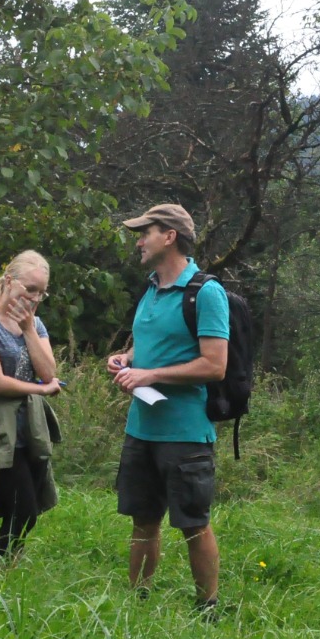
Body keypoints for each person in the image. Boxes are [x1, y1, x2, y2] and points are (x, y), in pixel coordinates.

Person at [107, 203, 229, 615]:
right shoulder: (151, 288)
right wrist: (127, 360)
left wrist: (150, 376)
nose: (139, 240)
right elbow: (147, 345)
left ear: (170, 236)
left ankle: (207, 608)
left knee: (193, 523)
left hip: (186, 432)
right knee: (143, 520)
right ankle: (137, 603)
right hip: (142, 428)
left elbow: (214, 364)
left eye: (146, 232)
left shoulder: (206, 293)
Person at [0, 251, 62, 560]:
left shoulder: (36, 324)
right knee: (23, 509)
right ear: (9, 281)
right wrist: (41, 389)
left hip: (30, 426)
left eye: (41, 292)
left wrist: (30, 329)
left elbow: (49, 372)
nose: (34, 298)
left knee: (27, 503)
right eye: (29, 289)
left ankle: (9, 565)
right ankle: (0, 564)